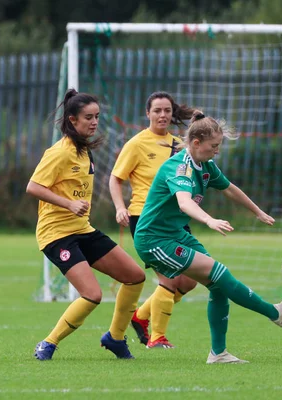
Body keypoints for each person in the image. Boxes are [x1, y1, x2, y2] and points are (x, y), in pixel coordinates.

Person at [133, 110, 282, 364]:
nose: (217, 151)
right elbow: (184, 202)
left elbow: (230, 189)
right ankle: (275, 313)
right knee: (219, 273)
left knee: (218, 284)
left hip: (174, 234)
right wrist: (209, 219)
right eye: (214, 146)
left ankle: (218, 353)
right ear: (197, 143)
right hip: (153, 239)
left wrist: (257, 212)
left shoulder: (206, 165)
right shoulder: (179, 168)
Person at [28, 89, 146, 361]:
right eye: (88, 118)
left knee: (135, 276)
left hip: (82, 230)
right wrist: (68, 203)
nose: (94, 123)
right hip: (57, 235)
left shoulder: (84, 152)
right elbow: (33, 186)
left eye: (96, 117)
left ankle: (115, 338)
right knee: (92, 294)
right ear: (72, 120)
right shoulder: (59, 152)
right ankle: (48, 343)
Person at [110, 92, 199, 349]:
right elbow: (115, 178)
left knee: (190, 279)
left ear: (172, 114)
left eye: (167, 110)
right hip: (145, 219)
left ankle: (140, 316)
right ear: (147, 113)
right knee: (170, 278)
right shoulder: (137, 144)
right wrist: (119, 207)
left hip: (175, 219)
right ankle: (157, 337)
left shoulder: (179, 146)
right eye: (157, 110)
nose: (162, 115)